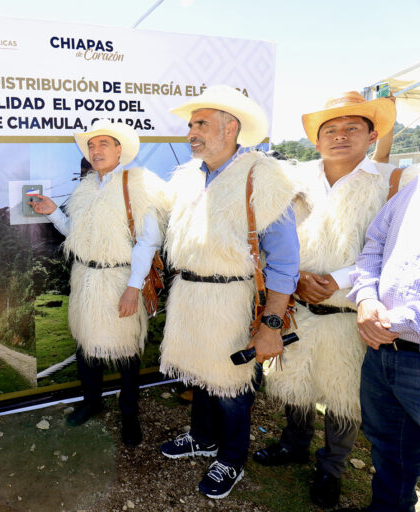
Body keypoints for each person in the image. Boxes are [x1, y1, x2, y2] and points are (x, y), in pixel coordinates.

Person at [256, 91, 418, 508]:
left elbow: (384, 247)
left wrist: (335, 279)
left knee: (344, 396)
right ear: (317, 139)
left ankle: (331, 468)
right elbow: (275, 237)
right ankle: (293, 443)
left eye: (352, 128)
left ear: (372, 135)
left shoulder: (391, 182)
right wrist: (296, 279)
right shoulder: (294, 180)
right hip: (298, 304)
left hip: (352, 312)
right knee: (295, 381)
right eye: (330, 129)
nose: (340, 136)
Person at [158, 85, 300, 499]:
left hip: (233, 300)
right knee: (200, 373)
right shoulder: (187, 178)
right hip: (188, 296)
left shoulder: (263, 175)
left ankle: (232, 458)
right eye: (190, 125)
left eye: (201, 123)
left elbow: (285, 261)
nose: (191, 132)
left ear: (230, 127)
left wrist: (271, 324)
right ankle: (202, 437)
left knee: (234, 385)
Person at [31, 119, 167, 446]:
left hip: (119, 278)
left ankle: (129, 413)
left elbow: (149, 240)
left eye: (104, 144)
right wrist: (53, 212)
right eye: (91, 145)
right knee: (86, 345)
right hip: (86, 280)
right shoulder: (86, 188)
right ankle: (91, 403)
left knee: (127, 351)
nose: (96, 150)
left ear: (120, 149)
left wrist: (133, 287)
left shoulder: (137, 186)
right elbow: (76, 234)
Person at [339, 168, 420, 512]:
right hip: (383, 348)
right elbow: (374, 247)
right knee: (390, 448)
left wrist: (394, 319)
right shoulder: (413, 187)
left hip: (395, 338)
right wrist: (367, 299)